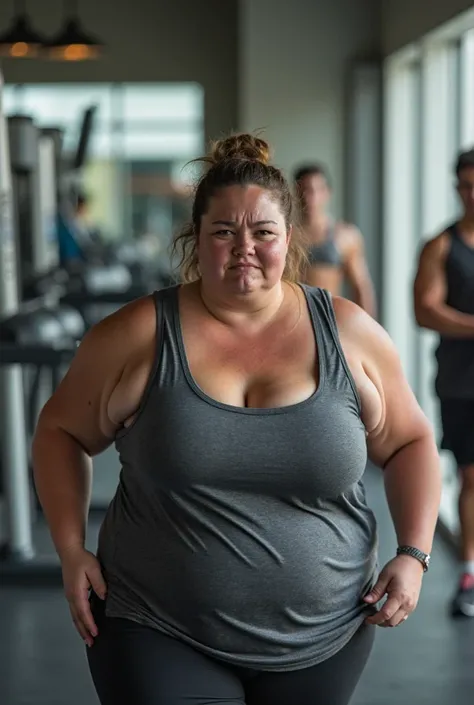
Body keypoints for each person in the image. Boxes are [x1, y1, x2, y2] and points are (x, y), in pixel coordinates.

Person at [33, 134, 441, 705]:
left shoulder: (350, 334)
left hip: (325, 634)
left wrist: (415, 553)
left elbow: (411, 441)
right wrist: (70, 547)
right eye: (223, 231)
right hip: (156, 624)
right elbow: (59, 431)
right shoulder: (137, 334)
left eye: (263, 232)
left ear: (289, 239)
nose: (243, 247)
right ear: (196, 239)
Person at [414, 147, 474, 618]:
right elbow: (425, 308)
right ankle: (470, 572)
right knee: (472, 476)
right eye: (466, 185)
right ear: (457, 187)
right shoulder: (441, 246)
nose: (473, 194)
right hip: (461, 382)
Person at [294, 164, 377, 317]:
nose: (309, 197)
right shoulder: (286, 235)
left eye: (315, 190)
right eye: (303, 190)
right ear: (295, 192)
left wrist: (367, 331)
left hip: (328, 318)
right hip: (293, 318)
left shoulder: (345, 236)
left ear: (327, 192)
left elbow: (360, 286)